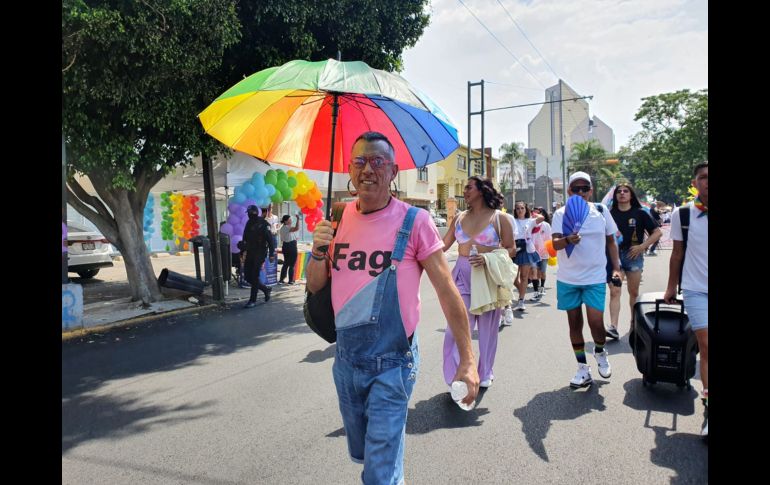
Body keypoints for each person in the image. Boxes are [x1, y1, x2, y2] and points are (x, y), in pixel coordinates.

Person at [306, 131, 479, 484]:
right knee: (366, 456)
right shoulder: (336, 217)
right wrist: (318, 250)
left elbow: (447, 291)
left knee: (380, 473)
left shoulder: (414, 221)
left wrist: (468, 360)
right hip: (346, 362)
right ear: (350, 169)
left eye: (378, 161)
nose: (368, 169)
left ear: (393, 170)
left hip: (393, 365)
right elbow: (315, 285)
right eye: (360, 161)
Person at [442, 176, 515, 389]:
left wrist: (488, 258)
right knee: (454, 330)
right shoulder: (458, 218)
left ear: (482, 191)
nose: (464, 191)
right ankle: (458, 375)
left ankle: (485, 373)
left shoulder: (500, 219)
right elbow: (443, 245)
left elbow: (511, 249)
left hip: (487, 278)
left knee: (487, 332)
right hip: (462, 277)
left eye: (468, 188)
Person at [551, 171, 620, 388]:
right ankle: (582, 368)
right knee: (574, 323)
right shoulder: (561, 214)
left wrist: (616, 268)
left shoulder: (600, 211)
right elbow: (555, 245)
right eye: (575, 188)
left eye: (585, 188)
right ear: (569, 190)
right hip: (568, 278)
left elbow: (611, 241)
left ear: (591, 191)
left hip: (595, 277)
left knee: (596, 322)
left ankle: (600, 351)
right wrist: (567, 239)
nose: (580, 192)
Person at [664, 162, 708, 437]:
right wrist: (671, 287)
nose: (708, 181)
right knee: (706, 344)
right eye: (703, 177)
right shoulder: (683, 215)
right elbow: (677, 254)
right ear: (695, 183)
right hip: (695, 289)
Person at [605, 184, 662, 339]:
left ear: (631, 195)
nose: (622, 194)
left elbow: (657, 233)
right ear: (615, 196)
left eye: (626, 191)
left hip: (634, 257)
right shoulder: (608, 214)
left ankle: (633, 323)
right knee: (615, 290)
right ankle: (613, 327)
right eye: (619, 192)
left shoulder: (641, 213)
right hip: (615, 258)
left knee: (633, 292)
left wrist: (642, 246)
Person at [512, 201, 545, 311]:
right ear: (515, 210)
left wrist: (532, 213)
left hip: (526, 248)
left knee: (524, 276)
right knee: (513, 277)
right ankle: (522, 289)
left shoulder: (530, 221)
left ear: (526, 210)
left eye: (522, 208)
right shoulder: (512, 220)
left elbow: (541, 218)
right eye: (517, 208)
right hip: (514, 248)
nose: (520, 210)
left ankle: (521, 301)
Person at [241, 205, 275, 308]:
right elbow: (244, 238)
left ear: (255, 213)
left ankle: (252, 300)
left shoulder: (264, 224)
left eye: (251, 213)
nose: (250, 215)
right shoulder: (248, 223)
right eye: (249, 213)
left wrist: (272, 254)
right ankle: (265, 289)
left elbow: (271, 240)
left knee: (255, 276)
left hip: (260, 253)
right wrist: (242, 250)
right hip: (250, 252)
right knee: (248, 277)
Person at [530, 207, 552, 301]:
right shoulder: (530, 224)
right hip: (533, 252)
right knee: (534, 272)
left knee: (542, 272)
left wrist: (550, 251)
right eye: (533, 213)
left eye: (537, 213)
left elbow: (549, 239)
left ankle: (542, 287)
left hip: (544, 252)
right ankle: (536, 291)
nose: (535, 215)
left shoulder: (546, 225)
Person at [278, 214, 301, 284]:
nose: (291, 221)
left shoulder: (284, 227)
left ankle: (282, 279)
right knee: (291, 264)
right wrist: (298, 219)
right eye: (289, 220)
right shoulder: (286, 227)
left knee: (286, 263)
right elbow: (297, 228)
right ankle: (290, 280)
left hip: (286, 246)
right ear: (285, 221)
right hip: (290, 246)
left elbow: (294, 231)